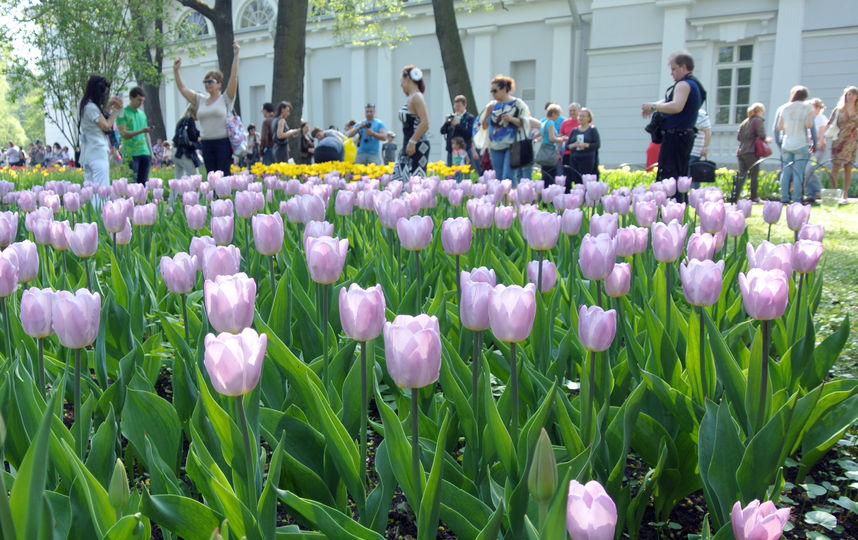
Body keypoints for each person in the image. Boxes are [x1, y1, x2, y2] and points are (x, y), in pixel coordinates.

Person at [173, 41, 240, 175]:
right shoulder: (201, 100)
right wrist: (176, 70)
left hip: (222, 143)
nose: (208, 84)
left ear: (219, 84)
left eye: (211, 81)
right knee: (211, 178)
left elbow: (233, 77)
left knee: (223, 176)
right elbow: (183, 89)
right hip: (206, 143)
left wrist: (236, 55)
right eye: (205, 82)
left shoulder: (226, 99)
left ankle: (224, 197)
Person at [641, 51, 706, 182]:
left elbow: (676, 106)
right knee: (679, 176)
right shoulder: (695, 84)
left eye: (674, 69)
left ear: (683, 67)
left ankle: (671, 202)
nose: (671, 73)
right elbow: (670, 100)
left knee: (669, 176)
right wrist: (654, 105)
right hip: (685, 136)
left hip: (675, 137)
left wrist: (654, 107)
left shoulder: (683, 84)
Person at [480, 74, 530, 184]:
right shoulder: (491, 105)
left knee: (508, 176)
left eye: (495, 91)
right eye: (491, 91)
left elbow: (525, 123)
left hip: (514, 145)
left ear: (504, 89)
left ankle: (510, 200)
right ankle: (501, 200)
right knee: (498, 177)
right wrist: (487, 113)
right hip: (495, 146)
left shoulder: (518, 104)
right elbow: (483, 126)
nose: (493, 94)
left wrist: (511, 119)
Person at [78, 74, 123, 198]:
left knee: (91, 191)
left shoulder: (86, 106)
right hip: (97, 153)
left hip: (89, 153)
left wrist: (109, 107)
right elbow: (106, 126)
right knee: (101, 191)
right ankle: (100, 216)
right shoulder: (91, 107)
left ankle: (93, 215)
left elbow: (99, 119)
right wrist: (116, 110)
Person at [777, 85, 815, 203]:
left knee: (786, 171)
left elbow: (780, 126)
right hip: (800, 143)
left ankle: (784, 197)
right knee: (798, 173)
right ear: (804, 96)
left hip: (787, 143)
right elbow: (809, 125)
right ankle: (797, 199)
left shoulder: (785, 107)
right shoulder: (807, 107)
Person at [821, 86, 858, 203]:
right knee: (836, 167)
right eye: (847, 94)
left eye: (852, 94)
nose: (849, 96)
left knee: (848, 167)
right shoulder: (839, 109)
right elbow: (829, 123)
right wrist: (823, 138)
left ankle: (844, 194)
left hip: (851, 141)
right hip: (838, 140)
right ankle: (833, 193)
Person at [392, 65, 430, 180]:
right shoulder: (412, 97)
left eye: (401, 80)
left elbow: (425, 122)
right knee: (399, 180)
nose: (400, 84)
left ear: (407, 78)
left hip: (417, 146)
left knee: (413, 183)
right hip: (408, 145)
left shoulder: (417, 97)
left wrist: (412, 141)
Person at [116, 87, 154, 183]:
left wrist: (151, 153)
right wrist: (141, 131)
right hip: (131, 153)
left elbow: (146, 135)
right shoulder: (123, 113)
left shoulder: (142, 114)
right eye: (138, 100)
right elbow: (123, 133)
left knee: (143, 184)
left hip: (145, 153)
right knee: (132, 184)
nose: (140, 103)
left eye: (142, 100)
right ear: (131, 98)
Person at [733, 103, 767, 202]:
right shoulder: (758, 120)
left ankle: (735, 196)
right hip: (752, 151)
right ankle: (754, 196)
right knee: (754, 175)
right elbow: (762, 134)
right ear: (759, 111)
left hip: (741, 151)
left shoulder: (744, 122)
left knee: (741, 175)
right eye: (762, 112)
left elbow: (738, 137)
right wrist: (766, 139)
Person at [567, 107, 600, 187]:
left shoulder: (592, 129)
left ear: (589, 118)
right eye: (580, 116)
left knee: (587, 183)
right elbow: (568, 146)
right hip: (575, 160)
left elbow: (597, 144)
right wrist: (574, 145)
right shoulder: (574, 130)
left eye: (583, 116)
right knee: (577, 181)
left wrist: (586, 145)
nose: (581, 118)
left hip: (588, 160)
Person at [440, 95, 475, 167]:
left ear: (464, 105)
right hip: (451, 150)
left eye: (459, 106)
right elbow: (442, 131)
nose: (457, 108)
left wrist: (457, 125)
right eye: (455, 106)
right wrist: (447, 122)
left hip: (463, 150)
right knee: (450, 173)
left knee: (462, 173)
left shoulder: (469, 118)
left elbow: (468, 134)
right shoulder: (451, 117)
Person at [538, 103, 567, 186]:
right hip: (550, 151)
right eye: (557, 115)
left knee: (546, 174)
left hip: (544, 150)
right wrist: (562, 139)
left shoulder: (544, 123)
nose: (558, 117)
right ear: (553, 113)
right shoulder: (550, 123)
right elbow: (552, 138)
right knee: (551, 175)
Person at [172, 104, 202, 179]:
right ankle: (195, 191)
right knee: (195, 178)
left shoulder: (181, 120)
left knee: (178, 178)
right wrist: (200, 138)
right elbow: (192, 137)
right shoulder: (190, 120)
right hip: (185, 153)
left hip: (176, 152)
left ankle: (175, 191)